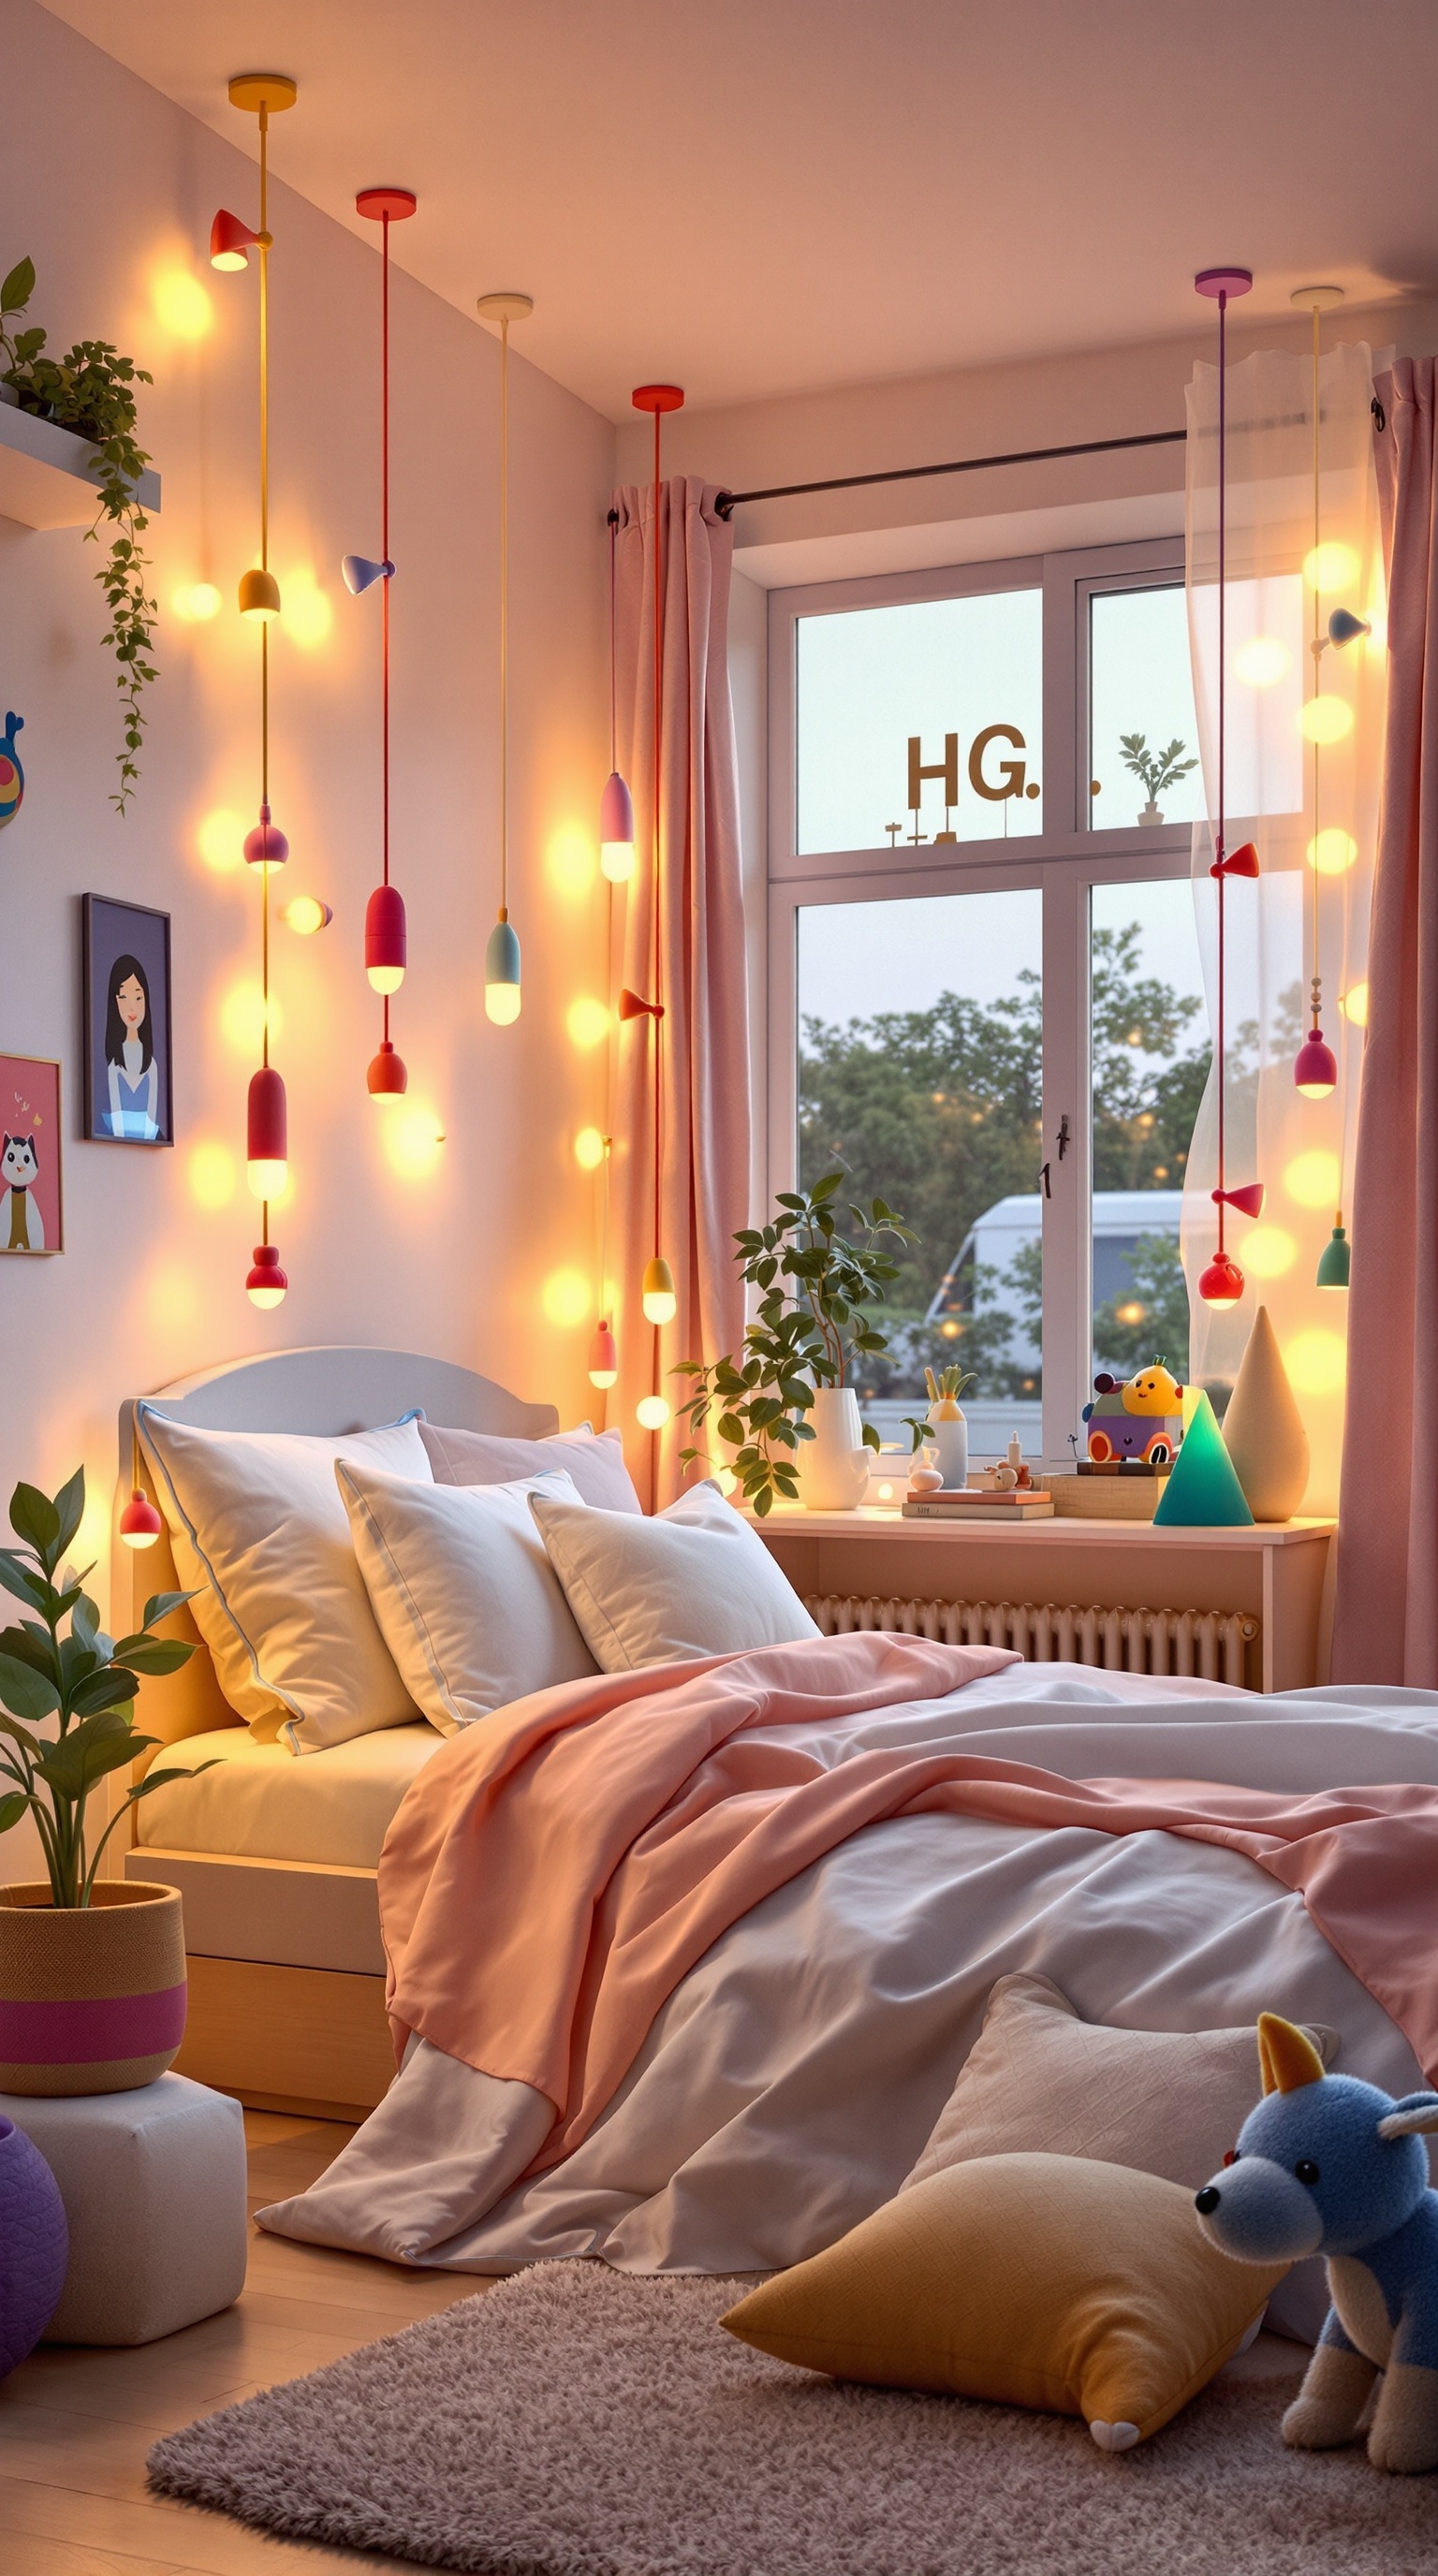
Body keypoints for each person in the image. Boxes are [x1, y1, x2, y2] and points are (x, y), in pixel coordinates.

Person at [103, 953, 160, 1140]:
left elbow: (152, 1115)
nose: (132, 1008)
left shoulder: (151, 1064)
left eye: (138, 998)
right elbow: (116, 1111)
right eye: (124, 998)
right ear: (115, 1002)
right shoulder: (114, 1065)